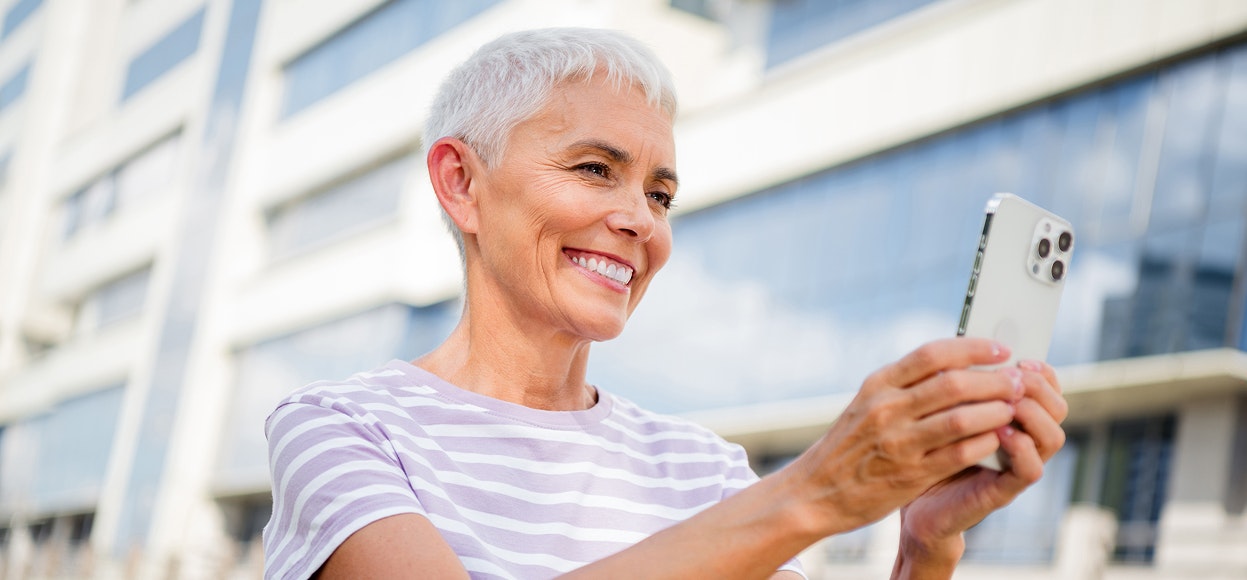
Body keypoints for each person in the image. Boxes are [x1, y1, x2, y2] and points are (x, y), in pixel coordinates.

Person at [261, 27, 1068, 580]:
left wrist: (925, 549)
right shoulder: (341, 428)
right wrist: (813, 494)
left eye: (660, 193)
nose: (638, 219)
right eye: (591, 169)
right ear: (461, 183)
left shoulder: (703, 471)